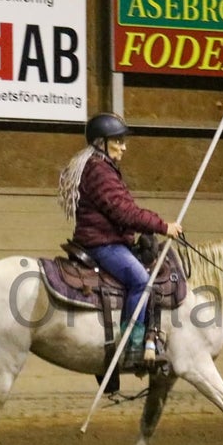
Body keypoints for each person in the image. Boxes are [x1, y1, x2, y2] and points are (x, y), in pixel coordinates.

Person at [58, 112, 182, 365]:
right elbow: (124, 212)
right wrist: (163, 226)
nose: (124, 147)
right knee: (141, 281)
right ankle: (132, 344)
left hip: (107, 240)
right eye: (118, 141)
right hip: (104, 244)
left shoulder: (100, 167)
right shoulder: (99, 170)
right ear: (101, 143)